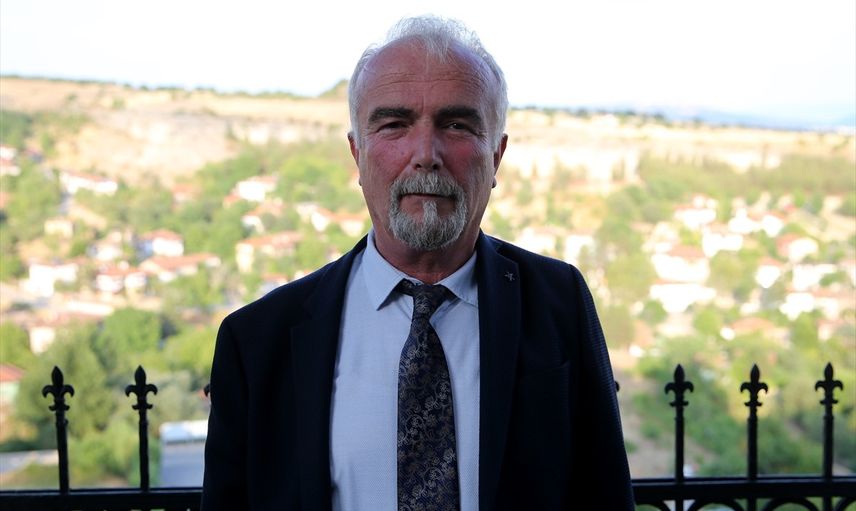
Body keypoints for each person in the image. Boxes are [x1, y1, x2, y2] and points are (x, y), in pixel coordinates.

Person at [202, 15, 635, 511]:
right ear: (357, 153)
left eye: (457, 125)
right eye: (394, 125)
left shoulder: (559, 303)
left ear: (496, 155)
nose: (426, 153)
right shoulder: (258, 340)